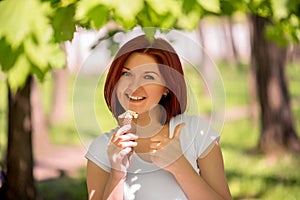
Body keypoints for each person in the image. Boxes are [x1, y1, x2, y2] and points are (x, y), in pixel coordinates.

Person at [85, 34, 232, 200]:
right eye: (126, 74)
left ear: (167, 87)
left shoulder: (197, 133)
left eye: (148, 77)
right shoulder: (101, 149)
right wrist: (117, 174)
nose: (134, 86)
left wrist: (180, 167)